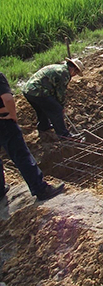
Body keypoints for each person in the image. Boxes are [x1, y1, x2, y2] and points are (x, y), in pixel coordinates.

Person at [0, 72, 65, 202]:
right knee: (21, 155)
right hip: (3, 120)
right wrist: (12, 115)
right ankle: (41, 189)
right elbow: (7, 99)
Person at [22, 58, 84, 139]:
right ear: (74, 69)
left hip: (28, 90)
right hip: (38, 91)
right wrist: (61, 106)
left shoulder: (59, 67)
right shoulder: (64, 74)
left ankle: (44, 126)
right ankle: (63, 135)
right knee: (56, 110)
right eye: (76, 73)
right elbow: (60, 93)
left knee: (42, 108)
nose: (75, 75)